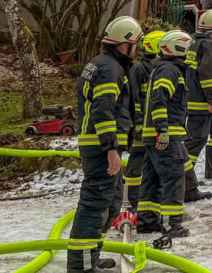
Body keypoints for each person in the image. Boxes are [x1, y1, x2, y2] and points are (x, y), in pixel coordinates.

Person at [68, 15, 142, 272]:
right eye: (136, 44)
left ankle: (91, 257)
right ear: (126, 43)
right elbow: (103, 109)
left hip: (101, 144)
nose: (138, 50)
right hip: (101, 146)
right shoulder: (110, 68)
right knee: (94, 206)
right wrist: (110, 148)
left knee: (110, 204)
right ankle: (81, 266)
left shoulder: (103, 64)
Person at [137, 30, 193, 240]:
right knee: (173, 177)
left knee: (151, 178)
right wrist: (162, 130)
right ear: (178, 48)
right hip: (164, 136)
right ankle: (172, 225)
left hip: (156, 135)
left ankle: (147, 221)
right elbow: (159, 100)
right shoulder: (169, 70)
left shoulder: (164, 69)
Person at [184, 10, 212, 203]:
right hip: (200, 101)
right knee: (195, 141)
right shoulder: (209, 44)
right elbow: (207, 74)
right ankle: (185, 184)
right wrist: (211, 100)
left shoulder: (193, 42)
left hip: (194, 97)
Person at [123, 29, 163, 218]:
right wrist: (138, 125)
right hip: (140, 127)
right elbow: (133, 99)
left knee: (151, 162)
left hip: (151, 126)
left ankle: (150, 198)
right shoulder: (139, 70)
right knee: (136, 163)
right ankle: (133, 201)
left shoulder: (156, 70)